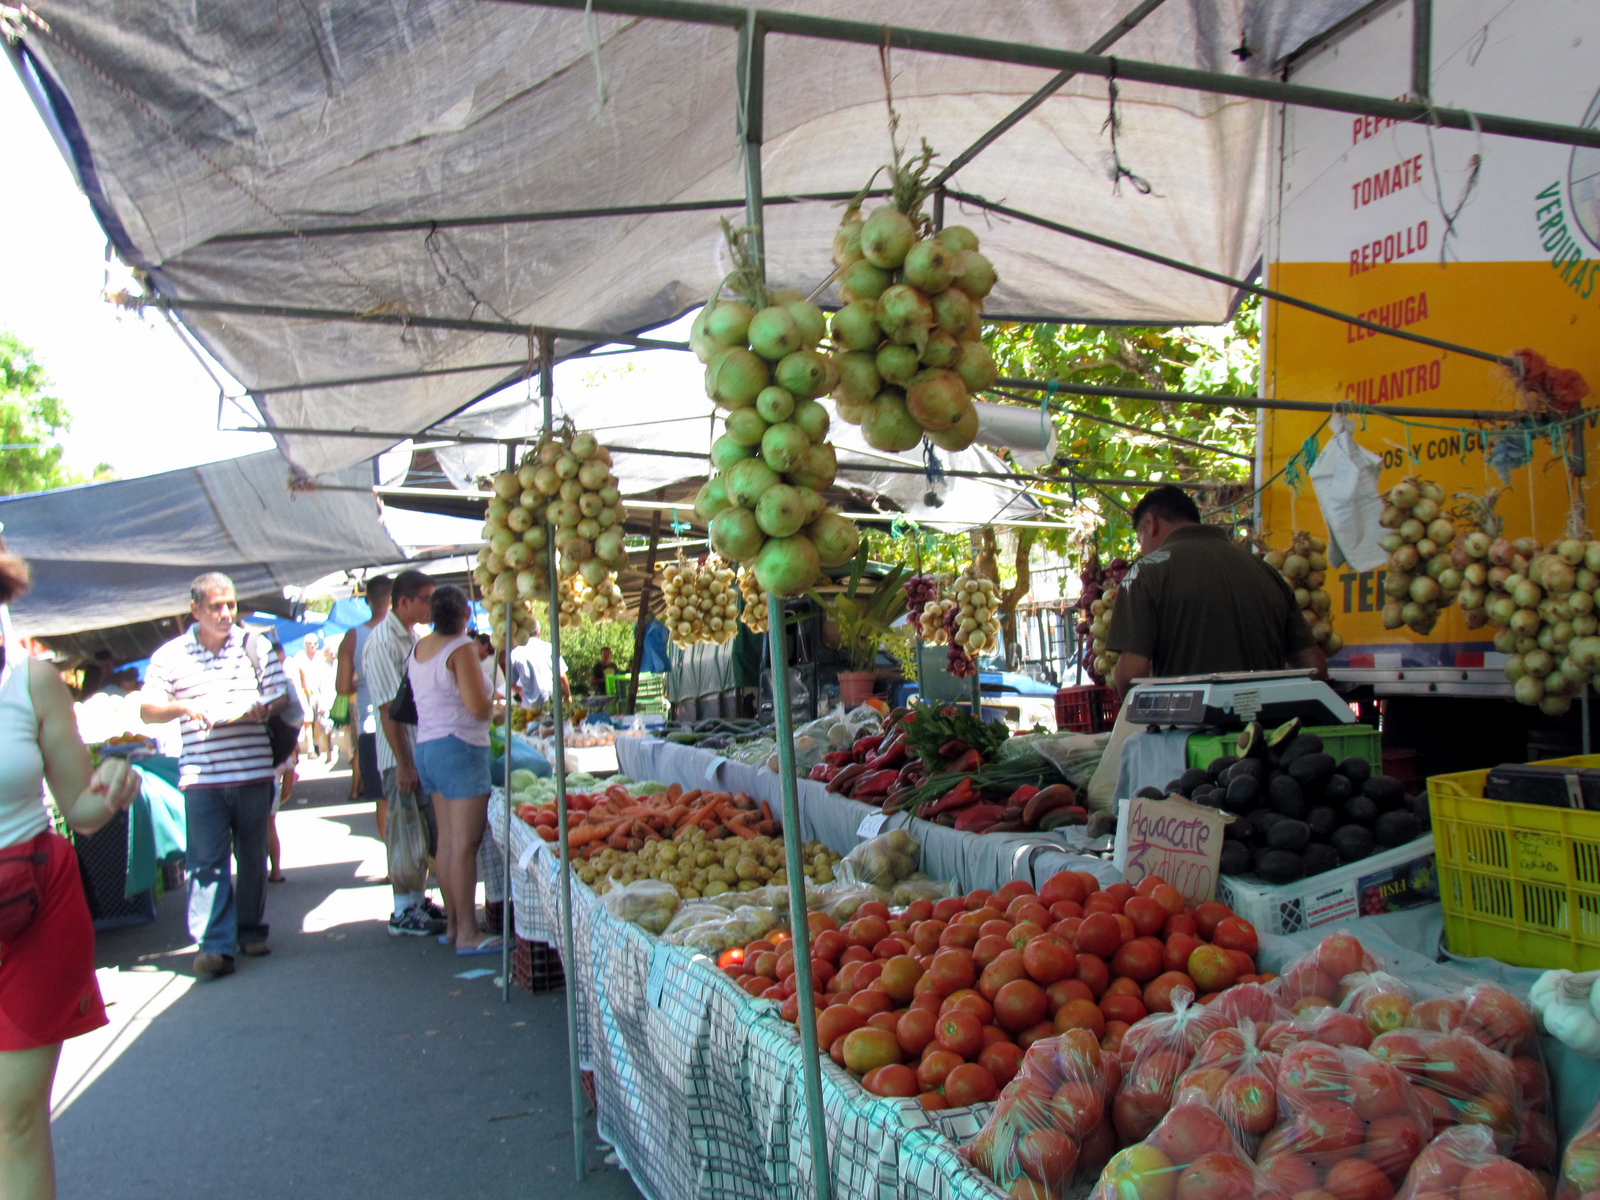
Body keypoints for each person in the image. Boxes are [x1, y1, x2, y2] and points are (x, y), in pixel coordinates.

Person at [0, 552, 142, 1200]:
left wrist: (111, 789)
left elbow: (80, 811)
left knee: (17, 1120)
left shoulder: (31, 681)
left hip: (31, 904)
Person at [140, 572, 289, 978]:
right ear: (196, 609)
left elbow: (280, 695)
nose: (225, 614)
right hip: (201, 776)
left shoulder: (253, 645)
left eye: (231, 605)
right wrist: (183, 708)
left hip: (253, 771)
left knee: (252, 855)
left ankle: (252, 930)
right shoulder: (170, 656)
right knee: (207, 862)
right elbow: (147, 708)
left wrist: (264, 708)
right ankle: (214, 946)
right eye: (216, 607)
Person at [1106, 485, 1327, 694]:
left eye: (1140, 539)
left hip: (1189, 730)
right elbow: (1314, 666)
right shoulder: (1266, 570)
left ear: (1150, 523)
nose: (1143, 550)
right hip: (1267, 728)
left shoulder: (1145, 572)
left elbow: (1132, 676)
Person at [408, 585, 499, 955]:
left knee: (446, 842)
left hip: (428, 747)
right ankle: (468, 933)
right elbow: (478, 706)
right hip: (460, 747)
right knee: (465, 845)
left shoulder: (420, 649)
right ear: (465, 615)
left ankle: (452, 924)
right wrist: (497, 706)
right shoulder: (460, 648)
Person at [362, 569, 447, 937]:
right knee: (406, 829)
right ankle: (402, 910)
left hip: (417, 747)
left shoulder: (412, 636)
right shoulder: (383, 642)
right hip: (400, 753)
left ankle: (415, 900)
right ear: (404, 601)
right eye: (426, 599)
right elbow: (386, 709)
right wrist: (403, 763)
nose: (432, 606)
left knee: (422, 828)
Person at [337, 576, 391, 820]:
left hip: (370, 726)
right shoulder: (411, 633)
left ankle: (393, 857)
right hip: (406, 725)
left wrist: (361, 683)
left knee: (383, 801)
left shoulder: (353, 637)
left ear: (367, 600)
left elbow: (342, 687)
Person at [265, 642, 304, 883]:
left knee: (260, 826)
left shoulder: (280, 685)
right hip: (271, 770)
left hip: (265, 769)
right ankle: (274, 871)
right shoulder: (282, 685)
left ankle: (269, 872)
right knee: (268, 824)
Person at [509, 618, 570, 706]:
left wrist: (521, 690)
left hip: (529, 706)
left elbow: (511, 684)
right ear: (538, 633)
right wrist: (568, 696)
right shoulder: (549, 648)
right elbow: (561, 676)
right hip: (552, 703)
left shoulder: (515, 653)